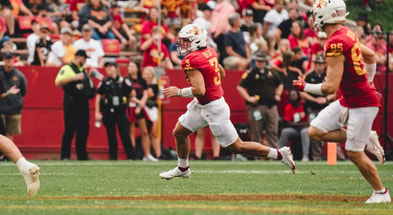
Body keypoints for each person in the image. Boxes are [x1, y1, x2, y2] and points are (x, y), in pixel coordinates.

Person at [159, 24, 295, 180]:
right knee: (179, 132)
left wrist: (178, 92)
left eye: (186, 41)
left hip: (213, 107)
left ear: (196, 41)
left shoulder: (192, 59)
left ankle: (279, 154)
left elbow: (199, 90)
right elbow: (221, 73)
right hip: (203, 104)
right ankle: (183, 168)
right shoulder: (209, 51)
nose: (182, 44)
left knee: (238, 146)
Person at [293, 0, 390, 203]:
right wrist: (370, 82)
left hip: (362, 102)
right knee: (315, 131)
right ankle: (367, 139)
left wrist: (304, 87)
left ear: (325, 16)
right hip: (350, 98)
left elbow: (329, 88)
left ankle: (381, 193)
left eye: (315, 13)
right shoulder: (347, 32)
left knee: (354, 153)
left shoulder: (335, 42)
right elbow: (371, 56)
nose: (313, 18)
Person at [237, 50, 283, 148]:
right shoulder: (251, 73)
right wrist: (249, 98)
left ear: (265, 61)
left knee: (273, 131)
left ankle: (274, 153)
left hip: (271, 106)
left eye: (262, 61)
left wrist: (278, 94)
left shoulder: (271, 72)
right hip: (256, 107)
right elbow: (240, 87)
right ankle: (256, 155)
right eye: (258, 60)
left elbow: (280, 84)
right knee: (256, 131)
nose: (260, 63)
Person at [55, 50, 96, 160]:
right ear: (79, 57)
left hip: (83, 104)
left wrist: (89, 76)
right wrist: (74, 78)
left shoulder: (83, 70)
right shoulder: (67, 68)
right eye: (84, 59)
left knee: (83, 130)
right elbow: (58, 82)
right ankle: (65, 155)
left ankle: (82, 155)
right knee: (70, 129)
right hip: (72, 104)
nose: (85, 61)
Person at [95, 62, 136, 160]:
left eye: (110, 67)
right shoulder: (104, 82)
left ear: (116, 68)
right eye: (107, 67)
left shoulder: (123, 81)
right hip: (108, 110)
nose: (108, 69)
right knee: (111, 134)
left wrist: (126, 101)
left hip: (121, 110)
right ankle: (112, 157)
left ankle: (131, 156)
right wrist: (97, 112)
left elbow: (132, 93)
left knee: (125, 134)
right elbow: (98, 97)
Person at [127, 61, 158, 161]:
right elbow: (128, 95)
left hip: (140, 107)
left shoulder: (142, 81)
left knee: (144, 131)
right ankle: (132, 155)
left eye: (132, 66)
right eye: (129, 66)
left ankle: (147, 154)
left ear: (137, 68)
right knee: (131, 131)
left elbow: (145, 94)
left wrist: (140, 105)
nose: (130, 68)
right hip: (130, 107)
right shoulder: (127, 80)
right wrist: (137, 102)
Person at [0, 52, 27, 141]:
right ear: (4, 60)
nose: (8, 61)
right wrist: (8, 93)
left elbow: (23, 91)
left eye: (10, 59)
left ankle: (7, 154)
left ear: (13, 60)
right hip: (1, 108)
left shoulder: (19, 75)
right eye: (7, 59)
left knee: (10, 133)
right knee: (2, 134)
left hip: (14, 108)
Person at [278, 89, 310, 161]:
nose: (292, 97)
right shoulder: (288, 107)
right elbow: (288, 123)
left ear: (298, 96)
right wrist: (301, 124)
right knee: (285, 131)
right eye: (291, 96)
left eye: (294, 95)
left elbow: (309, 123)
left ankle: (305, 156)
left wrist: (296, 124)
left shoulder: (304, 105)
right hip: (295, 130)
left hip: (305, 129)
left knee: (304, 132)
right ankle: (279, 154)